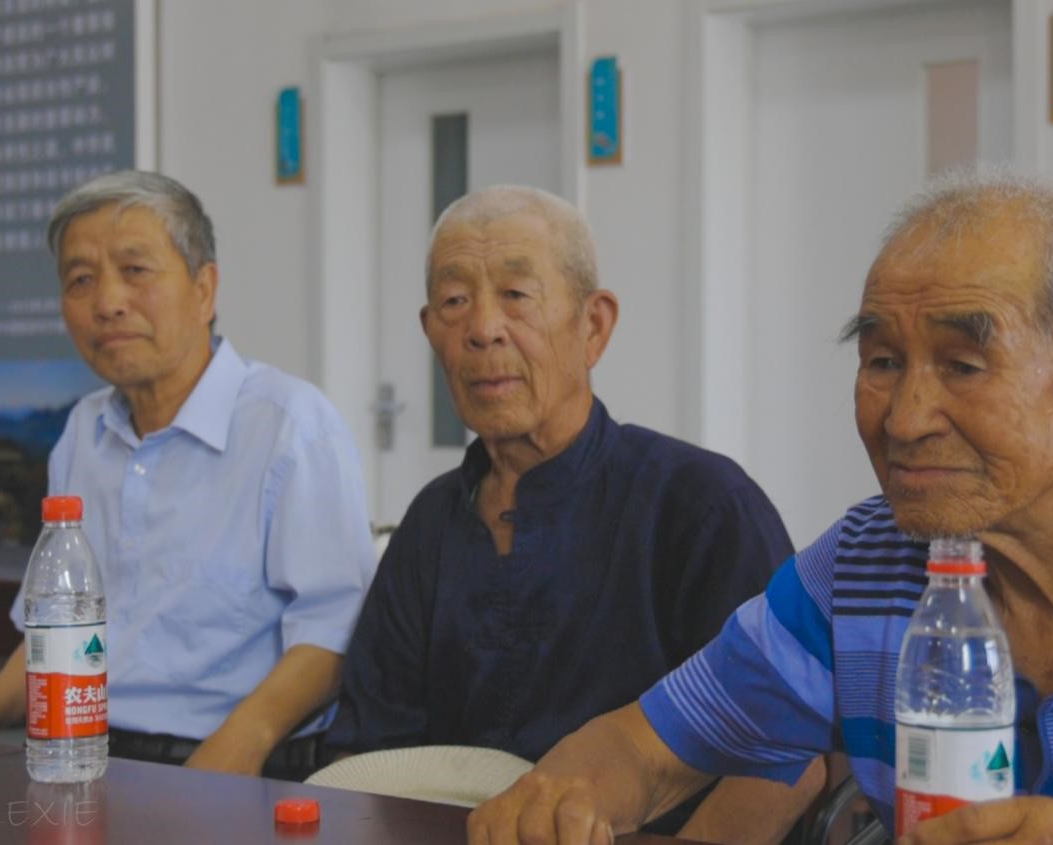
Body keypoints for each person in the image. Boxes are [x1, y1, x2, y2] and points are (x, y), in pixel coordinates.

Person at [468, 169, 1053, 844]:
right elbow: (645, 748)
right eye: (882, 360)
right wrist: (561, 798)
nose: (904, 419)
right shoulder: (864, 564)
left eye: (963, 364)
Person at [324, 186, 824, 843]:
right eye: (454, 302)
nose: (482, 328)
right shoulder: (430, 522)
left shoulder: (701, 505)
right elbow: (372, 752)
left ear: (594, 325)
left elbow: (788, 756)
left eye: (516, 294)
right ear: (429, 332)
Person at [0, 170, 377, 781]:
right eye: (80, 280)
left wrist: (238, 747)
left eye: (135, 270)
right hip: (81, 752)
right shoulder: (84, 430)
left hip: (235, 763)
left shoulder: (289, 425)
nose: (107, 302)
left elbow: (335, 630)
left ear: (204, 289)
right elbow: (53, 636)